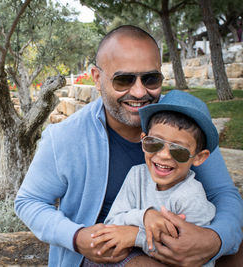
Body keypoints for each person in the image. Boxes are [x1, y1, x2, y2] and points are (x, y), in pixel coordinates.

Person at [14, 25, 243, 266]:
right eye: (123, 80)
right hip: (111, 246)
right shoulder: (65, 136)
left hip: (175, 233)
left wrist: (215, 240)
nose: (139, 91)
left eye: (151, 78)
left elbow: (222, 193)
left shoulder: (186, 121)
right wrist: (77, 237)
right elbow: (29, 201)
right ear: (97, 78)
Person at [86, 90, 218, 267]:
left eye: (179, 150)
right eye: (154, 143)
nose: (163, 155)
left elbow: (187, 253)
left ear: (199, 157)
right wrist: (146, 216)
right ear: (143, 140)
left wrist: (134, 236)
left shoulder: (191, 198)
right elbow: (112, 223)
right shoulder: (137, 175)